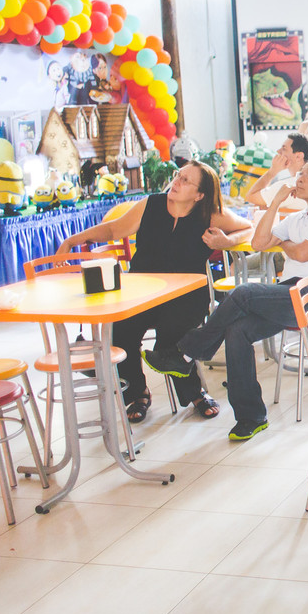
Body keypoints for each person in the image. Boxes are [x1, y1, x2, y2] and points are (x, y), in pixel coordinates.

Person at [143, 157, 308, 441]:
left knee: (243, 292)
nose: (300, 178)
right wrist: (276, 203)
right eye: (300, 173)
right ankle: (251, 416)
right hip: (290, 292)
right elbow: (258, 243)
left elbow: (303, 253)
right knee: (237, 330)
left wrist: (283, 243)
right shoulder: (297, 218)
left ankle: (186, 353)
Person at [57, 162, 253, 422]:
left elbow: (248, 228)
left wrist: (226, 242)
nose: (176, 182)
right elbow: (114, 229)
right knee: (121, 329)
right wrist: (72, 240)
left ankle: (194, 392)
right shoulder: (151, 205)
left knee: (172, 336)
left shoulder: (211, 215)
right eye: (178, 176)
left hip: (186, 295)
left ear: (199, 195)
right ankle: (138, 393)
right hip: (142, 291)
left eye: (185, 180)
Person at [244, 133, 308, 209]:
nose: (278, 151)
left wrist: (272, 171)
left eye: (284, 149)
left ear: (298, 156)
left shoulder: (287, 186)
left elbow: (250, 197)